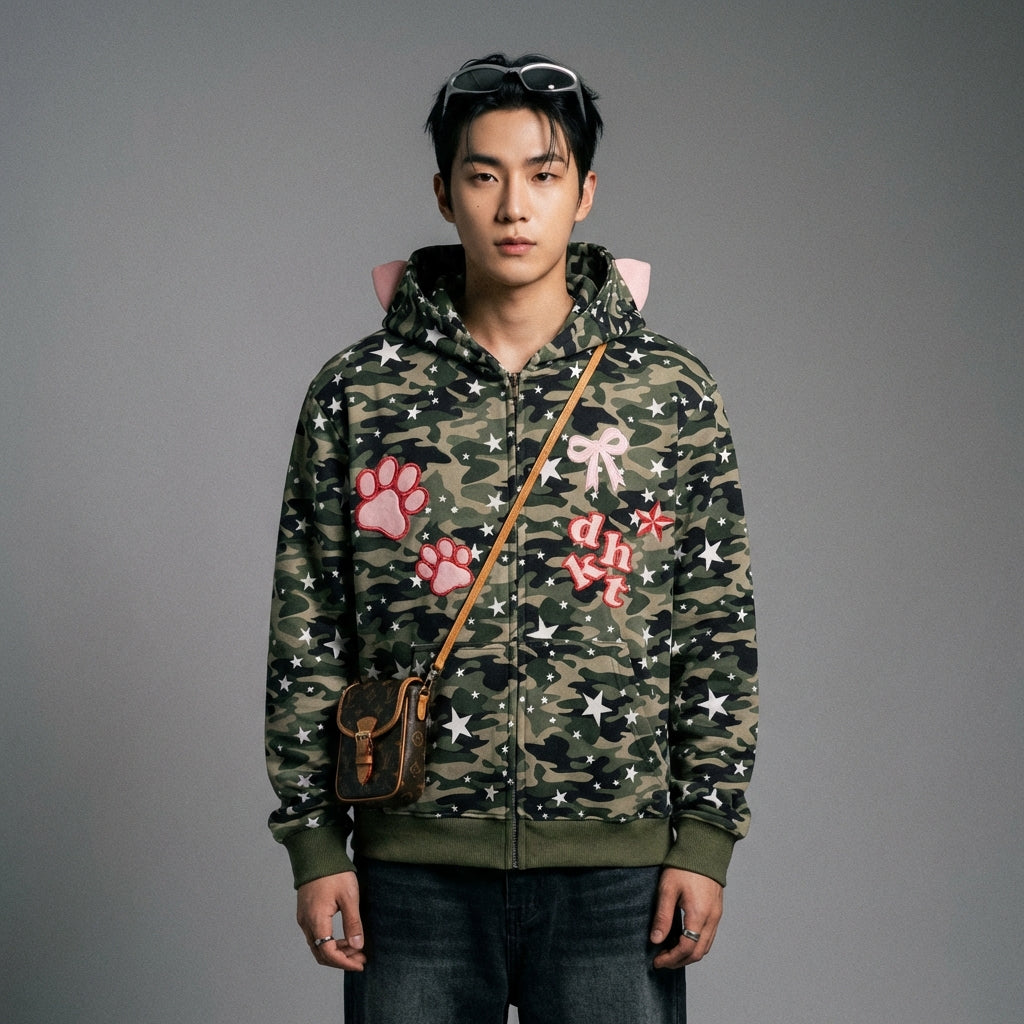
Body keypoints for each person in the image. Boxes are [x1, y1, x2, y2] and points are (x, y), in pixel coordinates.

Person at [266, 52, 758, 1023]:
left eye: (542, 174)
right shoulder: (358, 391)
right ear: (443, 194)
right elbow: (310, 622)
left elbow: (714, 625)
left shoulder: (666, 391)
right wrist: (315, 844)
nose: (513, 206)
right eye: (483, 175)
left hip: (617, 868)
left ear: (585, 192)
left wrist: (705, 838)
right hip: (412, 867)